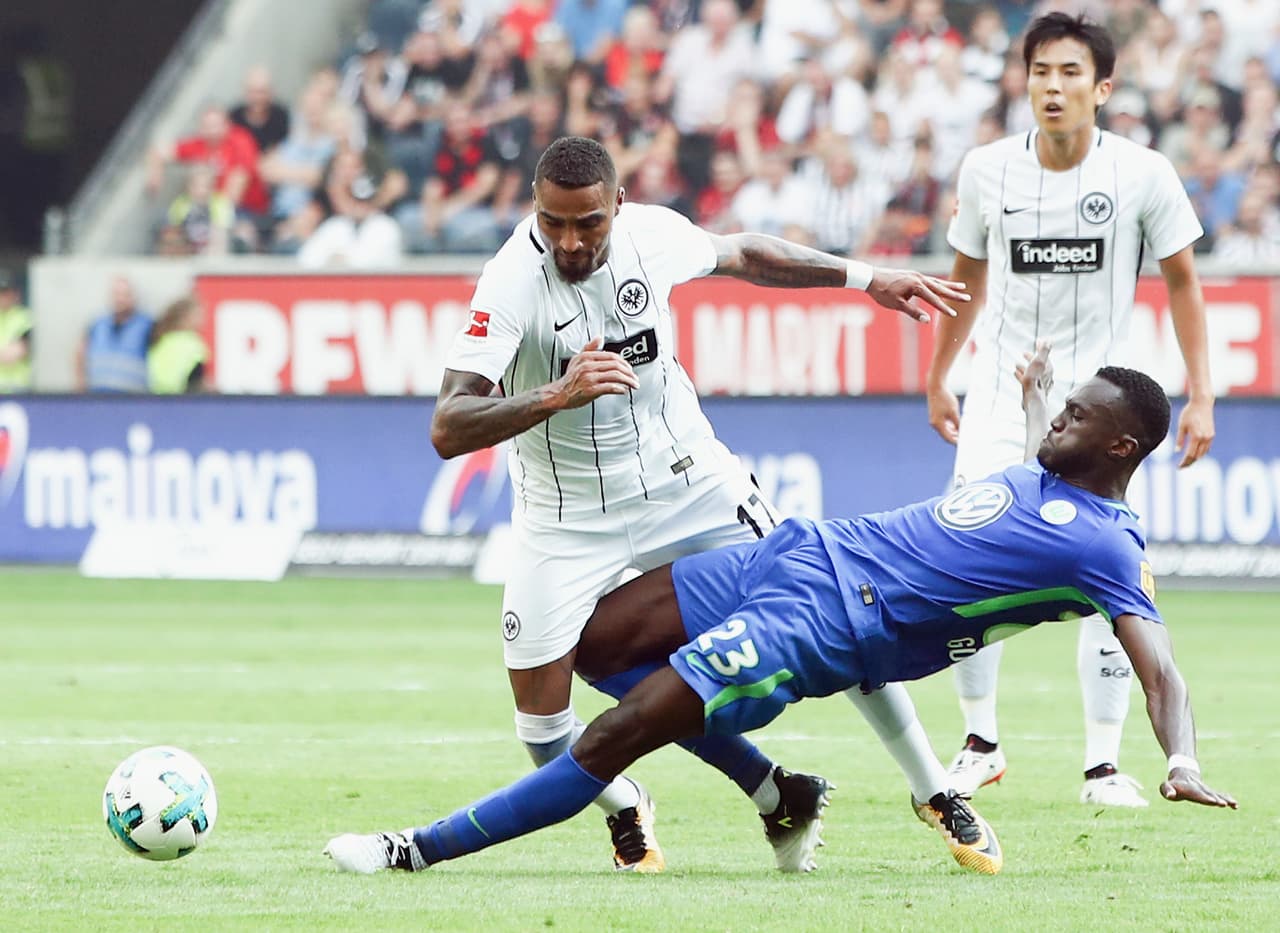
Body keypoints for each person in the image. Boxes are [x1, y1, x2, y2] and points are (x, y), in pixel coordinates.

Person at [324, 344, 1236, 876]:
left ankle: (414, 851)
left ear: (1121, 445)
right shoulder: (1047, 468)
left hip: (827, 626)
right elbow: (1043, 458)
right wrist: (1042, 393)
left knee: (616, 737)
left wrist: (1183, 754)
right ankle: (780, 790)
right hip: (799, 551)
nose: (1057, 422)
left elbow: (1159, 663)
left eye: (1076, 417)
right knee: (591, 645)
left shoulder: (1109, 546)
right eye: (1061, 408)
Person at [395, 136, 973, 876]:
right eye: (554, 223)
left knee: (836, 609)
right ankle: (636, 801)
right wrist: (555, 394)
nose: (570, 241)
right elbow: (448, 424)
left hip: (689, 482)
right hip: (564, 516)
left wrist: (865, 278)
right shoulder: (511, 281)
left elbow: (746, 254)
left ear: (619, 208)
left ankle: (935, 789)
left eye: (589, 224)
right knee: (542, 726)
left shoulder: (655, 237)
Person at [926, 13, 1216, 807]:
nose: (1053, 87)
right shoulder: (986, 170)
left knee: (1111, 578)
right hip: (995, 400)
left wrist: (1201, 393)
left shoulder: (1145, 173)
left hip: (1102, 413)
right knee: (962, 565)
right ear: (1025, 80)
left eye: (1070, 73)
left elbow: (1185, 283)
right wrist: (938, 374)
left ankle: (1103, 764)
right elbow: (966, 280)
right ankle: (979, 742)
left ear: (1103, 87)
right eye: (1041, 72)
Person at [75, 276, 153, 393]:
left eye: (126, 295)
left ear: (133, 297)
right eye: (117, 294)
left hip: (133, 398)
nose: (120, 299)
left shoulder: (147, 325)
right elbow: (80, 353)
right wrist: (80, 386)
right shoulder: (98, 324)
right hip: (97, 396)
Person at [147, 295, 208, 394]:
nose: (203, 320)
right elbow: (196, 379)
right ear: (186, 317)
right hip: (181, 400)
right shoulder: (193, 343)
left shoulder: (161, 338)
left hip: (154, 398)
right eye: (198, 315)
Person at [0, 268, 32, 392]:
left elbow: (14, 353)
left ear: (15, 293)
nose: (2, 297)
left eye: (5, 292)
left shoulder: (25, 318)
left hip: (16, 390)